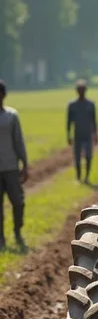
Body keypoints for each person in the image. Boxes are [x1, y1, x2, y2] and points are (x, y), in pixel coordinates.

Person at [0, 80, 28, 251]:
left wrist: (25, 164)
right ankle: (1, 239)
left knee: (18, 202)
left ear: (3, 95)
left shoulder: (11, 116)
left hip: (11, 167)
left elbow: (19, 141)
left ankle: (17, 231)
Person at [67, 80, 98, 184]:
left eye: (83, 90)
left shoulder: (90, 104)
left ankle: (87, 177)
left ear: (85, 90)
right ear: (76, 91)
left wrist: (95, 134)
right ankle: (78, 177)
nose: (81, 92)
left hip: (87, 134)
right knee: (77, 157)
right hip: (77, 135)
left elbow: (94, 120)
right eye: (79, 90)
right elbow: (69, 121)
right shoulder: (72, 105)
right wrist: (68, 135)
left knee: (88, 156)